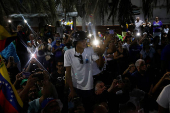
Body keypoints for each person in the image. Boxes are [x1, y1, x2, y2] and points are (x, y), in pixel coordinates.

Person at [64, 31, 104, 113]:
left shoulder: (89, 50)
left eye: (85, 40)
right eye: (82, 41)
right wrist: (72, 90)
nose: (85, 42)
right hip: (76, 87)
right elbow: (68, 74)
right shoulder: (68, 53)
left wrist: (100, 54)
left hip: (89, 87)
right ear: (75, 42)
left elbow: (100, 64)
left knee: (89, 108)